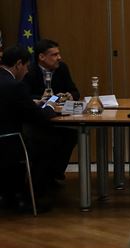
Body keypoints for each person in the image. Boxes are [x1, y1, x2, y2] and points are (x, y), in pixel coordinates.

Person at [0, 44, 62, 211]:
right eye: (26, 66)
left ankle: (8, 195)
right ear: (18, 64)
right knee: (48, 143)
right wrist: (50, 107)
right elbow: (37, 117)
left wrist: (32, 103)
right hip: (9, 144)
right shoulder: (15, 86)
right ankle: (31, 196)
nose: (27, 71)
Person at [20, 38, 78, 182]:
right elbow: (24, 96)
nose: (59, 58)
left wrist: (69, 95)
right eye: (54, 54)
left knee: (71, 134)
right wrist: (41, 98)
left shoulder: (62, 68)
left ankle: (55, 173)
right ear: (41, 57)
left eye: (59, 54)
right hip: (37, 120)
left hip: (60, 116)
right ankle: (42, 178)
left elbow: (74, 91)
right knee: (46, 140)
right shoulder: (29, 71)